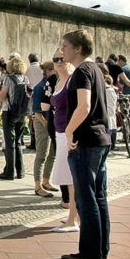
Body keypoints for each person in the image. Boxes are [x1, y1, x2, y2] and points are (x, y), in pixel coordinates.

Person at [61, 30, 112, 259]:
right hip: (101, 139)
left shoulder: (82, 71)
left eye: (65, 47)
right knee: (99, 197)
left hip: (85, 141)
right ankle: (101, 249)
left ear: (78, 48)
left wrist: (70, 131)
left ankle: (89, 253)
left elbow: (84, 106)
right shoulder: (97, 70)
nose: (62, 51)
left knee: (86, 199)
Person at [49, 49, 78, 229]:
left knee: (72, 178)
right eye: (55, 59)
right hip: (59, 133)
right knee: (67, 178)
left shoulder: (72, 80)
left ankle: (73, 219)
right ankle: (74, 216)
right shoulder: (59, 80)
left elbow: (80, 108)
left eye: (62, 58)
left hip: (68, 134)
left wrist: (71, 132)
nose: (59, 62)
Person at [0, 54, 28, 181]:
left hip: (9, 111)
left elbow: (2, 96)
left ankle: (9, 172)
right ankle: (20, 171)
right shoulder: (25, 78)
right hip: (21, 112)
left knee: (9, 143)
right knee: (18, 142)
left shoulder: (8, 78)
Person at [32, 61, 58, 195]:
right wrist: (48, 126)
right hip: (42, 122)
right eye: (55, 69)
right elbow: (37, 112)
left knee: (53, 154)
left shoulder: (55, 84)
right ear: (49, 71)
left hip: (52, 123)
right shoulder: (40, 86)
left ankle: (46, 181)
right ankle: (37, 186)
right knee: (41, 155)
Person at [25, 53, 44, 150]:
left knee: (32, 119)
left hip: (31, 95)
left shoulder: (27, 70)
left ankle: (33, 141)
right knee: (40, 117)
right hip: (42, 94)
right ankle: (39, 141)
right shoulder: (42, 68)